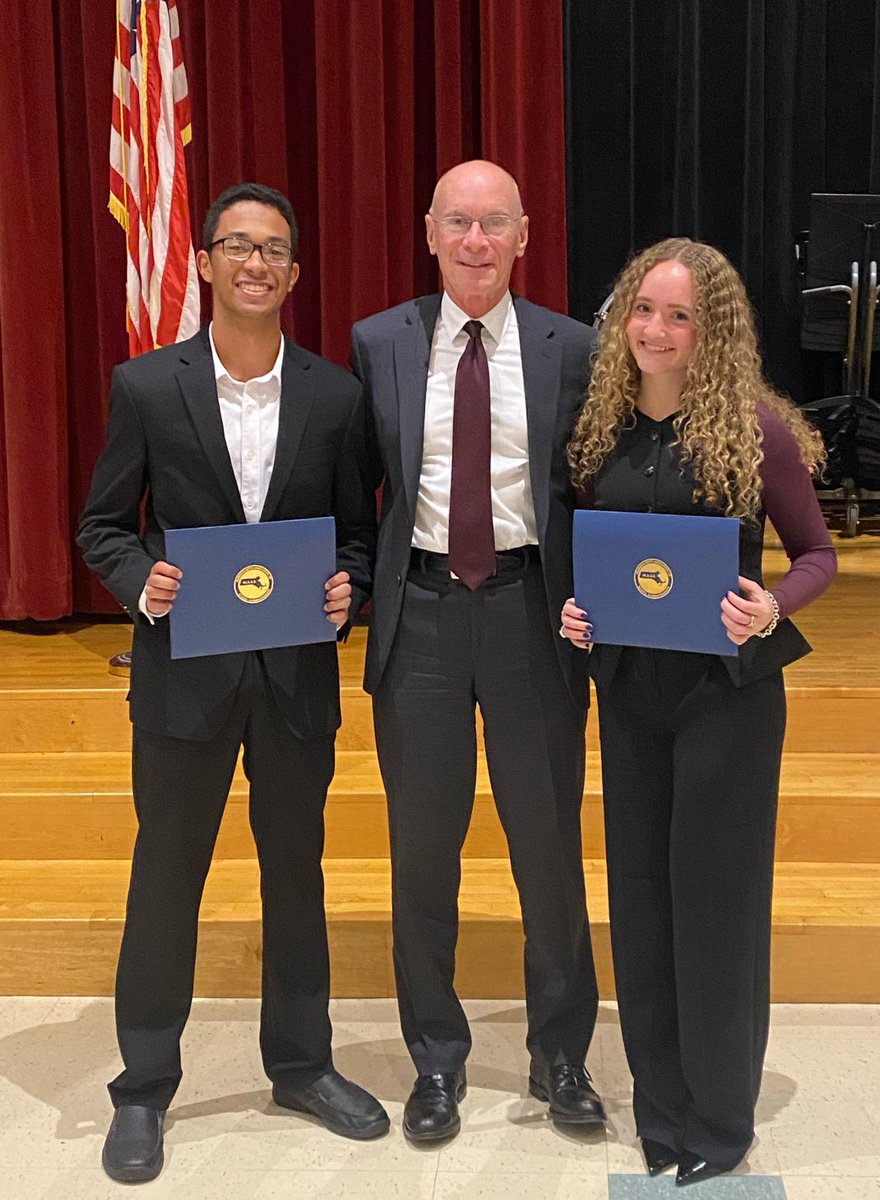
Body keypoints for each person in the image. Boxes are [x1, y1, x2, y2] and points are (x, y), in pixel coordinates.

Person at [77, 183, 385, 1184]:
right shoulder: (145, 387)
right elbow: (103, 526)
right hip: (185, 679)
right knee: (166, 878)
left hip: (295, 681)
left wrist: (349, 588)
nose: (257, 262)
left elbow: (358, 534)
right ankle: (143, 1086)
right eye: (238, 245)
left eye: (275, 249)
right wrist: (144, 584)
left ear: (294, 273)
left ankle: (301, 1065)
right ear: (206, 261)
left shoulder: (336, 397)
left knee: (296, 875)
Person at [561, 238, 837, 1186]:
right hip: (631, 693)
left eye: (679, 315)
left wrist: (773, 604)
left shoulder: (756, 431)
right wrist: (578, 613)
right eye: (643, 309)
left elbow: (816, 555)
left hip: (727, 699)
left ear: (710, 329)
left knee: (716, 907)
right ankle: (662, 1109)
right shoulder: (600, 430)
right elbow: (596, 560)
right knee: (641, 900)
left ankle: (719, 1120)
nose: (656, 329)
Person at [350, 160, 604, 1142]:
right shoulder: (379, 342)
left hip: (528, 611)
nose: (475, 240)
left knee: (548, 851)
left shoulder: (571, 347)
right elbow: (353, 491)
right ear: (429, 233)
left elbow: (598, 486)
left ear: (524, 235)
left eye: (494, 222)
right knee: (423, 854)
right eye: (457, 222)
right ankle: (435, 1060)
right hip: (417, 614)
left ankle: (561, 1055)